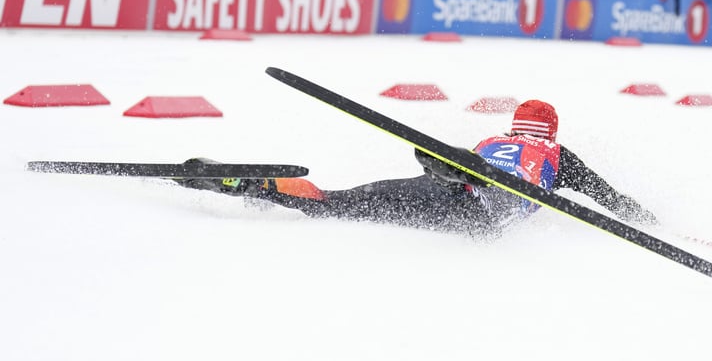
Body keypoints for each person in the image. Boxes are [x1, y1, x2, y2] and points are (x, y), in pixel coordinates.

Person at [175, 100, 657, 236]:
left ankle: (254, 185)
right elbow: (607, 197)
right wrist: (649, 221)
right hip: (487, 213)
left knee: (337, 203)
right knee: (487, 197)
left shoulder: (492, 140)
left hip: (435, 193)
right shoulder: (558, 156)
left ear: (514, 125)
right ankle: (468, 178)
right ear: (550, 132)